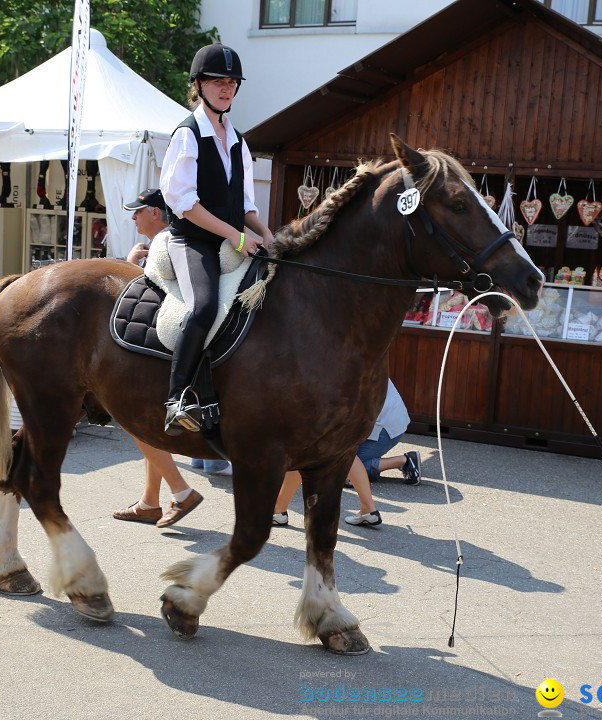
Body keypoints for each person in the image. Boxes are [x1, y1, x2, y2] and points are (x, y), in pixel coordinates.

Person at [159, 42, 276, 435]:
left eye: (231, 82)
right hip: (192, 242)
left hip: (231, 238)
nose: (226, 89)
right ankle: (177, 398)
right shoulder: (187, 135)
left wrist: (267, 235)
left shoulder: (240, 141)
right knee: (205, 306)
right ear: (198, 85)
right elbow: (184, 205)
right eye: (216, 82)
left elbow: (245, 206)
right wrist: (237, 238)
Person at [113, 188, 204, 527]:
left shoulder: (167, 243)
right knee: (144, 424)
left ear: (154, 212)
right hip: (168, 342)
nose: (133, 217)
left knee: (135, 421)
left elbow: (152, 293)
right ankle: (149, 501)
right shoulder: (169, 240)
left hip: (161, 346)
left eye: (137, 212)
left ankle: (180, 491)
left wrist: (128, 265)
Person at [272, 380, 422, 527]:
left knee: (320, 455)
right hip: (375, 419)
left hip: (384, 429)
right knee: (328, 452)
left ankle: (404, 461)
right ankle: (368, 510)